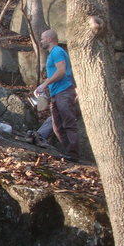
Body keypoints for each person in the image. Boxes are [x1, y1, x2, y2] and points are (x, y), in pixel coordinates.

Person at [35, 29, 79, 161]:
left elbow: (61, 71)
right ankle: (68, 153)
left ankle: (73, 155)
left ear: (49, 39)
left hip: (64, 92)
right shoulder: (52, 54)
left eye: (42, 38)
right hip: (55, 94)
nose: (41, 41)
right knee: (57, 127)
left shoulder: (58, 52)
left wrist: (44, 84)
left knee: (68, 123)